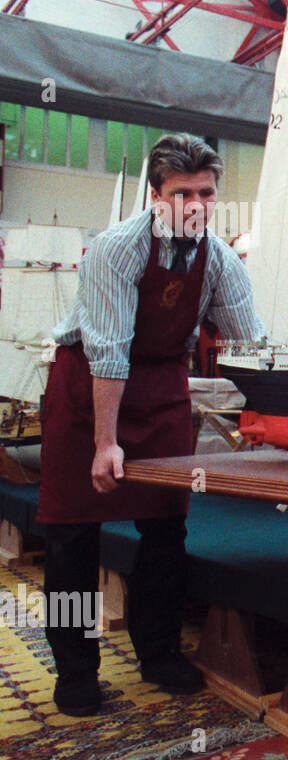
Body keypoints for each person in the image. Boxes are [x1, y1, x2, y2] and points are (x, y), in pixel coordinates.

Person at [38, 133, 266, 717]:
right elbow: (108, 351)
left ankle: (159, 653)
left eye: (207, 193)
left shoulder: (218, 261)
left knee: (166, 532)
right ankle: (74, 672)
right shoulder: (115, 248)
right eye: (181, 193)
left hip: (162, 387)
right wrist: (104, 443)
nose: (195, 205)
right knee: (72, 538)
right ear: (155, 196)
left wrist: (279, 423)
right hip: (90, 386)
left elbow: (253, 345)